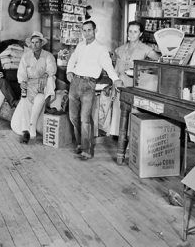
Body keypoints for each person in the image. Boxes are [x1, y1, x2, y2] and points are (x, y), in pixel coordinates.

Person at [67, 20, 123, 160]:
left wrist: (115, 79)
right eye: (84, 30)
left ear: (95, 30)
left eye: (89, 30)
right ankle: (80, 144)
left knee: (85, 118)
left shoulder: (101, 48)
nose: (87, 33)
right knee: (73, 117)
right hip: (75, 82)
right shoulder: (80, 45)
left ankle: (87, 150)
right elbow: (72, 59)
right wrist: (69, 71)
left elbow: (108, 66)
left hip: (88, 85)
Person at [109, 20, 160, 136]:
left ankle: (133, 139)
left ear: (140, 34)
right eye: (130, 31)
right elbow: (115, 69)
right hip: (120, 85)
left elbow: (158, 62)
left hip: (135, 86)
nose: (132, 34)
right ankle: (121, 137)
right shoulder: (120, 49)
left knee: (133, 113)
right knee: (120, 113)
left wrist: (145, 72)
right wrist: (114, 86)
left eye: (135, 32)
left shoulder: (146, 49)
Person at [11, 31, 57, 144]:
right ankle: (26, 130)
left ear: (41, 43)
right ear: (30, 44)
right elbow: (21, 72)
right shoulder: (26, 56)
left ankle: (32, 127)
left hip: (44, 83)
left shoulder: (48, 55)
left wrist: (45, 75)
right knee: (26, 101)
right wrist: (22, 82)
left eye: (37, 42)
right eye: (33, 43)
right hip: (31, 83)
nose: (35, 45)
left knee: (50, 80)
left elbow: (52, 69)